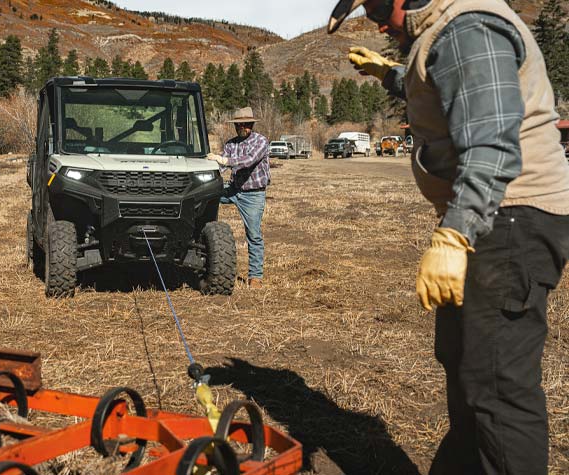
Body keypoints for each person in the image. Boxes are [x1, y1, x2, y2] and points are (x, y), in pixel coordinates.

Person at [327, 0, 569, 473]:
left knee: (496, 387)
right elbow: (453, 85)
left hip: (507, 217)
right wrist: (391, 75)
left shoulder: (466, 27)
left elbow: (491, 143)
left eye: (379, 7)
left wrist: (455, 235)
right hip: (495, 217)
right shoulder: (446, 33)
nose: (378, 23)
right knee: (465, 368)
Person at [207, 107, 278, 289]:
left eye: (247, 124)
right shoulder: (231, 144)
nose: (243, 127)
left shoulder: (260, 141)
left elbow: (248, 160)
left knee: (253, 235)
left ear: (251, 125)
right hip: (233, 189)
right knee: (205, 196)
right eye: (240, 124)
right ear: (236, 126)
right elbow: (221, 167)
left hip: (253, 194)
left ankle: (255, 277)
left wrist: (224, 161)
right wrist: (209, 164)